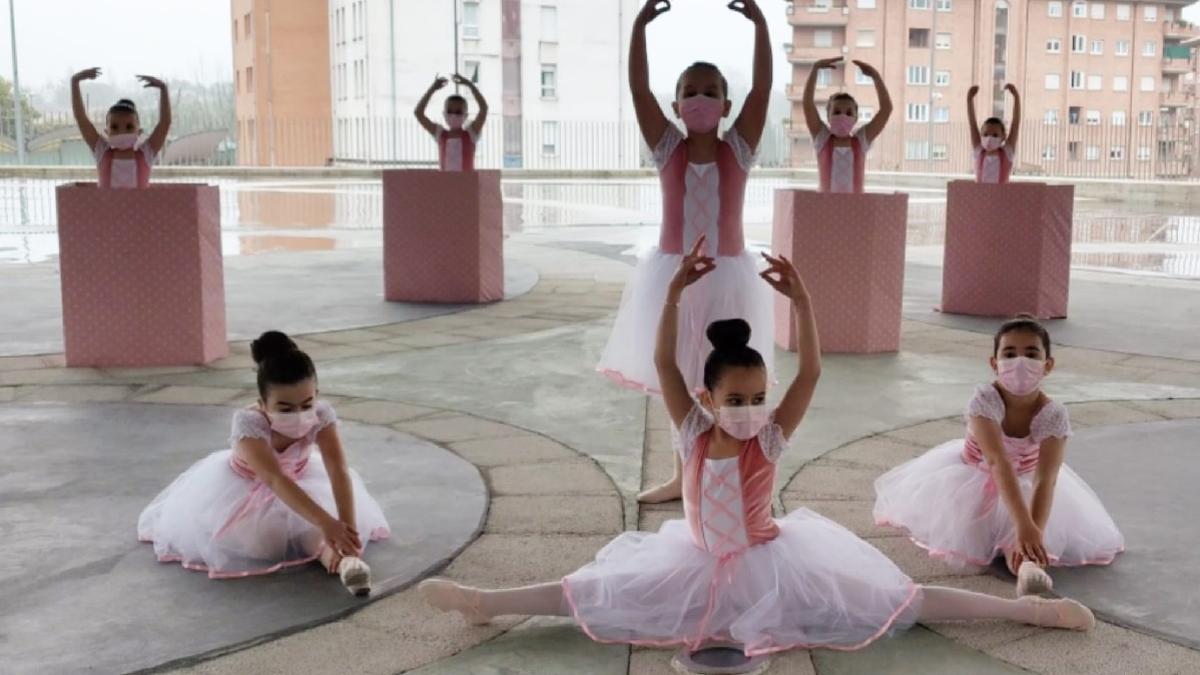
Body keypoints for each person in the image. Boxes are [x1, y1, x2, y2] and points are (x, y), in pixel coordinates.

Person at [418, 245, 1096, 656]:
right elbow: (664, 361)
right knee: (597, 590)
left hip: (774, 562)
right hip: (693, 557)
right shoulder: (691, 431)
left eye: (757, 397)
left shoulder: (768, 438)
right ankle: (486, 601)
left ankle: (1028, 610)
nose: (749, 409)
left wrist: (803, 302)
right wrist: (673, 294)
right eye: (736, 399)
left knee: (897, 599)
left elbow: (812, 373)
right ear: (707, 399)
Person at [597, 0, 776, 504]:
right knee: (676, 373)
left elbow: (763, 89)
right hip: (673, 278)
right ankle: (683, 475)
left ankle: (728, 468)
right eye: (690, 92)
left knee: (722, 374)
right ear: (676, 105)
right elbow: (638, 89)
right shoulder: (667, 150)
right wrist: (639, 28)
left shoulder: (737, 149)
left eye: (711, 92)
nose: (700, 99)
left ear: (726, 104)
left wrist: (761, 26)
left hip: (728, 280)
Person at [874, 316, 1125, 596]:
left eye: (1032, 354)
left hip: (1026, 482)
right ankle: (1021, 555)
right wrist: (1023, 524)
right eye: (1009, 354)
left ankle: (1027, 567)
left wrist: (1033, 531)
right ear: (994, 363)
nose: (1020, 362)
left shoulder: (1053, 413)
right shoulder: (985, 400)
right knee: (986, 530)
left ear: (1048, 364)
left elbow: (1046, 479)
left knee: (1025, 538)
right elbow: (997, 461)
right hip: (973, 478)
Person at [137, 331, 390, 595]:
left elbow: (337, 469)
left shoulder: (322, 415)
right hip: (247, 491)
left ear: (316, 394)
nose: (299, 415)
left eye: (307, 404)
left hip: (302, 481)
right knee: (270, 540)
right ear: (263, 404)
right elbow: (274, 479)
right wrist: (327, 522)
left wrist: (346, 530)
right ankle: (334, 556)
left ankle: (347, 564)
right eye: (285, 409)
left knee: (315, 532)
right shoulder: (249, 423)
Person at [802, 57, 891, 193]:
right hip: (824, 206)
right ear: (828, 117)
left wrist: (876, 77)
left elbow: (886, 109)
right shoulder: (822, 138)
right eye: (837, 112)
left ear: (856, 119)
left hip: (856, 206)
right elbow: (807, 104)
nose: (843, 116)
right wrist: (815, 69)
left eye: (849, 113)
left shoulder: (861, 140)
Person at [71, 68, 171, 189]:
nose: (122, 131)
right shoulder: (102, 151)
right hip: (105, 203)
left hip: (140, 204)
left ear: (139, 131)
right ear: (107, 132)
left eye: (129, 127)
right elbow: (81, 119)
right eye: (114, 127)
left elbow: (165, 123)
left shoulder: (146, 154)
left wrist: (164, 89)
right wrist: (75, 82)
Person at [414, 73, 488, 171]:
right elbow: (418, 113)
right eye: (450, 111)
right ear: (444, 113)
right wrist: (432, 89)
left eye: (458, 112)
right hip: (445, 181)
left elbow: (484, 108)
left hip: (467, 181)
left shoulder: (471, 133)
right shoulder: (440, 134)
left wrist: (470, 85)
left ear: (465, 115)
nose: (453, 115)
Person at [968, 83, 1021, 184]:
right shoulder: (978, 151)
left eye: (995, 135)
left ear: (1003, 137)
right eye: (985, 134)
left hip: (1002, 195)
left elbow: (1015, 124)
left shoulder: (1007, 153)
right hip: (979, 194)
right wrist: (969, 99)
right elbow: (972, 123)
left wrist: (1016, 96)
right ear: (981, 135)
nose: (989, 138)